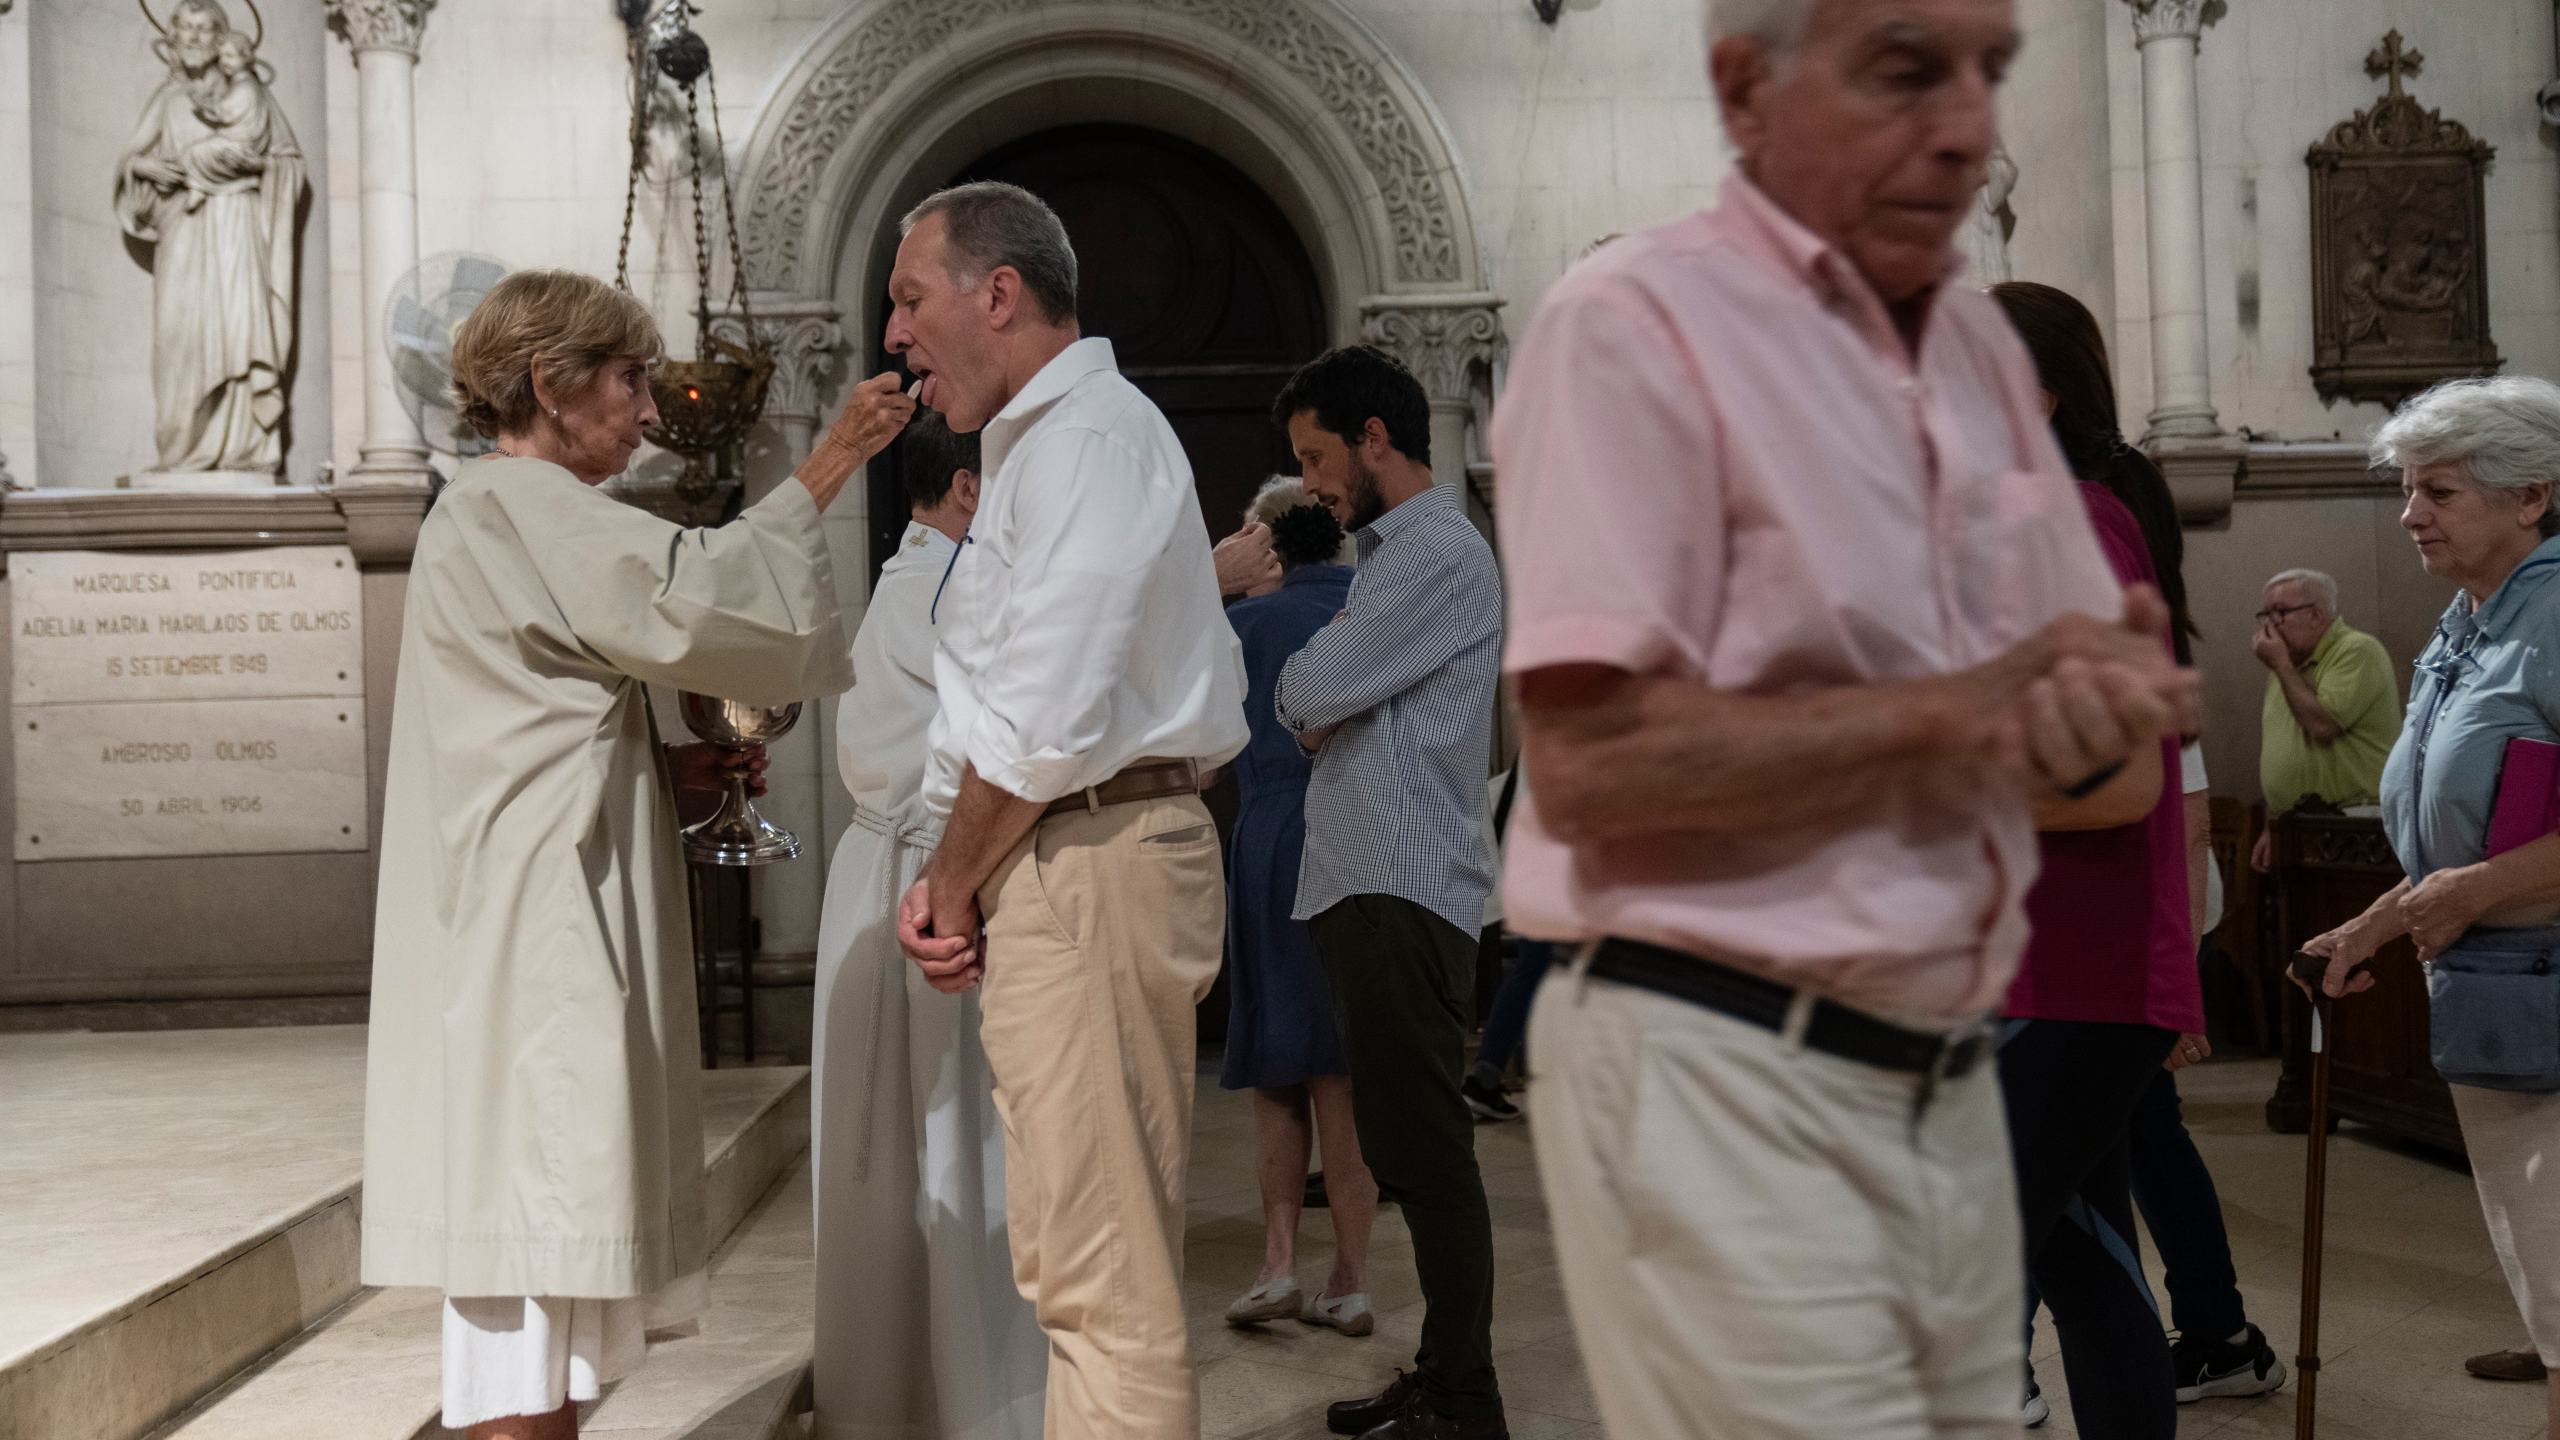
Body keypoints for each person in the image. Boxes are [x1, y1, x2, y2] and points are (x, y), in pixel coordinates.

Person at [1489, 0, 2201, 1432]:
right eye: (1900, 74)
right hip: (1716, 1041)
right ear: (1749, 91)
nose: (1963, 125)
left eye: (1983, 75)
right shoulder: (1633, 332)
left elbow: (2106, 767)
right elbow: (1595, 763)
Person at [360, 268, 916, 1440]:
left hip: (534, 905)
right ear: (548, 386)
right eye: (625, 380)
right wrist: (831, 461)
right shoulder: (517, 501)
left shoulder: (495, 511)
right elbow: (692, 594)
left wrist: (675, 771)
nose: (649, 412)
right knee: (528, 1279)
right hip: (534, 938)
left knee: (547, 1281)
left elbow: (520, 731)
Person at [887, 180, 1248, 1440]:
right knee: (1080, 1257)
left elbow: (1041, 717)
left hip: (1087, 851)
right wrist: (960, 876)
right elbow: (999, 705)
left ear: (999, 294)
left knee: (1101, 1274)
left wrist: (944, 882)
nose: (894, 334)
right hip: (1062, 852)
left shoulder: (1089, 438)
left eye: (909, 298)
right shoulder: (1038, 445)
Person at [2298, 375, 2560, 1440]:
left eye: (2438, 492)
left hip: (2543, 974)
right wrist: (2369, 924)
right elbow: (2467, 828)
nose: (2410, 514)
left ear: (2530, 494)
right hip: (2494, 984)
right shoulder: (2468, 620)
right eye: (2407, 490)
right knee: (2541, 1269)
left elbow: (2483, 865)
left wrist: (2472, 891)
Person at [1984, 281, 2213, 1440]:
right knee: (2089, 1271)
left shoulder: (2070, 521)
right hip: (2049, 971)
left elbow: (2121, 780)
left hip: (2072, 972)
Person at [1271, 344, 1507, 1440]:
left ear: (1374, 439)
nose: (1313, 482)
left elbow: (1311, 691)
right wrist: (1331, 681)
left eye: (1318, 456)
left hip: (1402, 885)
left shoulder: (1433, 553)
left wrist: (1324, 673)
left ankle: (1465, 1399)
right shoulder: (1394, 556)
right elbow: (1328, 704)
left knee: (1424, 1154)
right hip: (1373, 880)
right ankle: (1446, 1378)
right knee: (1407, 1145)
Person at [810, 412, 1045, 1440]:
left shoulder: (907, 580)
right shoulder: (948, 585)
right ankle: (970, 1405)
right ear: (965, 492)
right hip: (926, 882)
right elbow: (1017, 721)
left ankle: (892, 1397)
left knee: (900, 1164)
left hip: (885, 873)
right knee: (955, 1153)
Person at [1217, 483, 1380, 1337]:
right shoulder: (1377, 609)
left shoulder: (1239, 629)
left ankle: (1278, 1264)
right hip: (1363, 835)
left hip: (1271, 837)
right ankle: (1350, 1277)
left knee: (1278, 1063)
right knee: (1344, 1069)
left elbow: (1194, 754)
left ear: (1269, 547)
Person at [2249, 566, 2401, 872]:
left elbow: (2322, 725)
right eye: (2266, 615)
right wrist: (2274, 822)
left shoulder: (2357, 650)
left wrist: (2281, 664)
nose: (2270, 626)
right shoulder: (2286, 668)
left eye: (2280, 613)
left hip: (2352, 824)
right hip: (2295, 825)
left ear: (2317, 615)